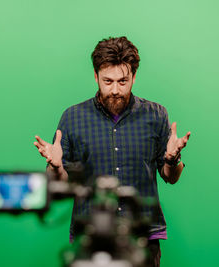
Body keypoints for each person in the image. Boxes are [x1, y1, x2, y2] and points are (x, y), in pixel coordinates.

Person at [33, 36, 191, 266]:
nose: (115, 89)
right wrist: (56, 167)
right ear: (96, 76)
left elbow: (171, 176)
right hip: (90, 240)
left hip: (142, 238)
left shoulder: (156, 115)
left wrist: (172, 158)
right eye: (107, 81)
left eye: (123, 81)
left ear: (134, 78)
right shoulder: (72, 117)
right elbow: (59, 182)